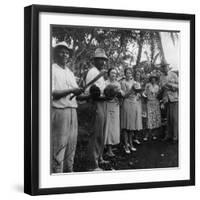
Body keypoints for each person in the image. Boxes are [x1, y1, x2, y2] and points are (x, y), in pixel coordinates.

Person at [51, 42, 83, 173]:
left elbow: (76, 94)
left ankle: (69, 172)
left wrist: (83, 93)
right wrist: (72, 90)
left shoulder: (69, 72)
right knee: (59, 147)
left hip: (72, 111)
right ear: (55, 54)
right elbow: (52, 93)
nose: (65, 54)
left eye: (67, 52)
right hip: (59, 112)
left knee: (71, 145)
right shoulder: (51, 69)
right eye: (61, 52)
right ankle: (55, 175)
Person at [86, 48, 109, 170]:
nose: (103, 62)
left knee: (102, 133)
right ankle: (92, 164)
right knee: (95, 133)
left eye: (104, 60)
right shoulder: (92, 72)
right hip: (96, 104)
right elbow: (89, 91)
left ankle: (99, 157)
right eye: (100, 59)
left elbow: (103, 89)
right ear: (95, 60)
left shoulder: (101, 73)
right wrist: (98, 94)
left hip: (103, 103)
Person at [121, 68, 143, 154]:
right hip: (126, 103)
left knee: (132, 126)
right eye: (127, 73)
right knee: (126, 125)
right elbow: (124, 95)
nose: (129, 74)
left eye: (130, 73)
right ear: (125, 74)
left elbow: (137, 94)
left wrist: (139, 93)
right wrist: (132, 90)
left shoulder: (135, 82)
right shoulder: (123, 82)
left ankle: (130, 143)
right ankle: (126, 145)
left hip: (134, 103)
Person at [104, 68, 122, 157]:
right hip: (108, 105)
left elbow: (120, 94)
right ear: (108, 74)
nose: (114, 74)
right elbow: (104, 95)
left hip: (115, 106)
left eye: (115, 73)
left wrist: (119, 97)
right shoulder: (105, 83)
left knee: (114, 126)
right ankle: (108, 148)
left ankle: (112, 144)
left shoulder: (118, 83)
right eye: (112, 73)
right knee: (109, 126)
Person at [160, 62, 179, 142]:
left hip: (174, 99)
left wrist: (171, 86)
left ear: (168, 67)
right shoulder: (161, 77)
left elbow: (179, 86)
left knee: (174, 119)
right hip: (166, 100)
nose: (164, 68)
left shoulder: (174, 75)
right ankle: (168, 135)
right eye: (163, 67)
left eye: (166, 67)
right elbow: (162, 87)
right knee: (168, 119)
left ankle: (175, 137)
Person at [143, 74, 161, 140]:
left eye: (154, 78)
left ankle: (153, 134)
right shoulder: (148, 85)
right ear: (150, 79)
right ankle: (146, 135)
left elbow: (159, 95)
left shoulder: (157, 86)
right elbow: (144, 93)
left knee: (155, 118)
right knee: (149, 118)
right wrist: (145, 97)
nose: (153, 80)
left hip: (156, 103)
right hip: (149, 102)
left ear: (156, 80)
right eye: (152, 78)